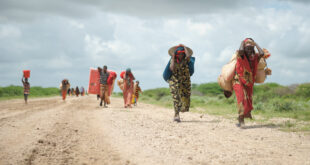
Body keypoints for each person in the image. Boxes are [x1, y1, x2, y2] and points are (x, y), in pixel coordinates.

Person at [231, 38, 265, 127]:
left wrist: (255, 44)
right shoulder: (241, 55)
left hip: (249, 82)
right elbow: (241, 50)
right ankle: (241, 120)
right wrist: (243, 42)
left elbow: (262, 53)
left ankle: (240, 117)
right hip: (238, 80)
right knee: (241, 98)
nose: (249, 51)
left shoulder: (255, 57)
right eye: (247, 49)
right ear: (244, 49)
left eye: (251, 49)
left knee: (248, 100)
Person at [168, 44, 193, 122]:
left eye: (182, 53)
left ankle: (182, 109)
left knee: (185, 96)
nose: (181, 55)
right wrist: (173, 57)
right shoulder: (172, 60)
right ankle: (176, 114)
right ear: (176, 54)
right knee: (175, 96)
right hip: (174, 80)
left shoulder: (186, 60)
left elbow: (188, 56)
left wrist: (184, 46)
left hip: (184, 81)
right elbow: (171, 68)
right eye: (179, 53)